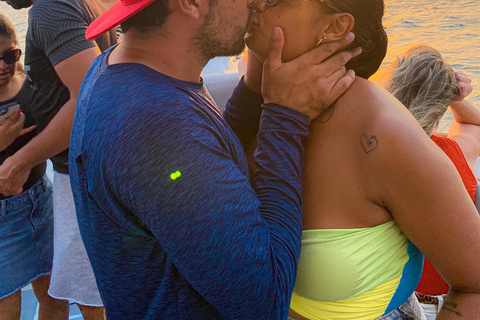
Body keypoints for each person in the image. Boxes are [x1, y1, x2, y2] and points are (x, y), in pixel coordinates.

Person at [68, 0, 360, 317]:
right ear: (191, 4)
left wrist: (254, 90)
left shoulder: (116, 70)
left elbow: (207, 163)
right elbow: (265, 303)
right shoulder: (158, 126)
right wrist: (286, 117)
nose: (256, 2)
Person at [240, 0, 480, 319]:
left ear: (335, 27)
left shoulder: (385, 135)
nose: (255, 3)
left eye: (274, 0)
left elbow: (474, 284)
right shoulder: (264, 103)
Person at [0, 0, 116, 318]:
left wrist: (20, 160)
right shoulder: (85, 2)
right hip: (99, 170)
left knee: (87, 298)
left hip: (74, 180)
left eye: (10, 56)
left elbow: (91, 95)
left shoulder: (50, 10)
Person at [384, 44, 480, 316]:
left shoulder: (365, 147)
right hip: (447, 297)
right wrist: (456, 98)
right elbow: (475, 124)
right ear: (439, 108)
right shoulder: (455, 151)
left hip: (385, 296)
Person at [0, 13, 68, 320]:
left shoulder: (31, 84)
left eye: (9, 55)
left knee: (56, 294)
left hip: (43, 202)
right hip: (2, 223)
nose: (2, 66)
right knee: (6, 305)